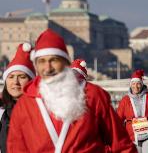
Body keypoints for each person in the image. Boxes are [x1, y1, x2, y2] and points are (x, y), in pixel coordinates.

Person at [7, 29, 137, 153]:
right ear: (36, 66)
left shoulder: (93, 96)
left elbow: (121, 145)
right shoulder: (25, 104)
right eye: (42, 61)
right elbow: (16, 149)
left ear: (65, 62)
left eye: (54, 60)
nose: (48, 67)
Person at [0, 43, 35, 153]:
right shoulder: (3, 112)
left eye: (22, 77)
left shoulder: (39, 111)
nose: (15, 82)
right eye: (11, 77)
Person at [117, 69, 148, 153]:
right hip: (132, 136)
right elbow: (118, 119)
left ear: (142, 84)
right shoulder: (125, 100)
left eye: (138, 83)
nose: (135, 86)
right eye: (133, 83)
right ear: (130, 85)